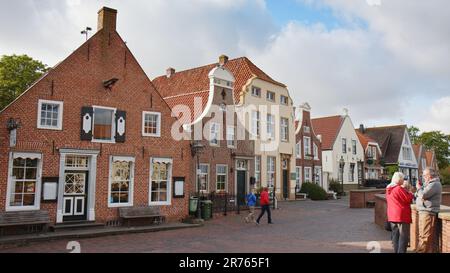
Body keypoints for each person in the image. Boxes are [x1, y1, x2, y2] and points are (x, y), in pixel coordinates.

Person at [415, 167, 442, 253]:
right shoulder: (428, 184)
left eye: (424, 175)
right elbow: (417, 194)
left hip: (428, 212)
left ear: (429, 176)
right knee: (421, 235)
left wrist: (419, 189)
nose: (423, 177)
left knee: (425, 237)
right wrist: (420, 192)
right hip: (423, 211)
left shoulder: (434, 184)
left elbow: (422, 195)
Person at [386, 172, 414, 253]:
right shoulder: (398, 188)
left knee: (395, 236)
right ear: (399, 179)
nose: (403, 180)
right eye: (402, 178)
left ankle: (396, 251)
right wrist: (411, 193)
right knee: (403, 236)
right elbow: (408, 199)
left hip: (392, 215)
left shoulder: (389, 188)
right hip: (401, 215)